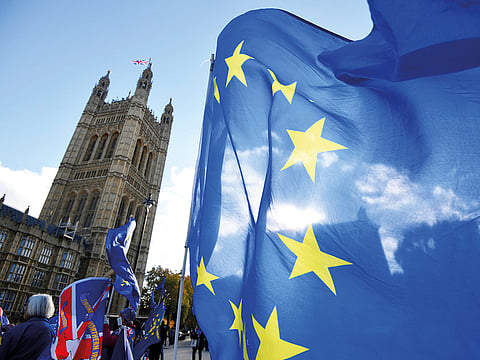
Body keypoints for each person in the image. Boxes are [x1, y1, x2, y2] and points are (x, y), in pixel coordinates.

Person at [0, 294, 55, 360]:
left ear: (32, 308)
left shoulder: (17, 331)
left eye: (26, 306)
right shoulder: (53, 332)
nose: (24, 309)